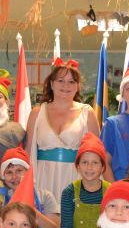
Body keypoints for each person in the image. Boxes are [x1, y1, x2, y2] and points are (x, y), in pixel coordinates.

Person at [26, 58, 100, 206]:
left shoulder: (87, 113)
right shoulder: (37, 113)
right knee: (45, 217)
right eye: (61, 80)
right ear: (51, 84)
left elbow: (96, 154)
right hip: (42, 177)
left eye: (72, 81)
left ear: (77, 86)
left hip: (75, 178)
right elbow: (28, 152)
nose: (66, 85)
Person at [59, 133, 110, 228]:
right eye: (85, 162)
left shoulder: (110, 192)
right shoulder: (69, 192)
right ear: (78, 166)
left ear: (102, 167)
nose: (89, 167)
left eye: (95, 163)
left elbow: (114, 226)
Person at [0, 146, 60, 228]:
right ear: (4, 177)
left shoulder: (45, 196)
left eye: (19, 171)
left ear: (28, 172)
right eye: (9, 172)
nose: (14, 176)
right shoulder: (2, 199)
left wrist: (33, 212)